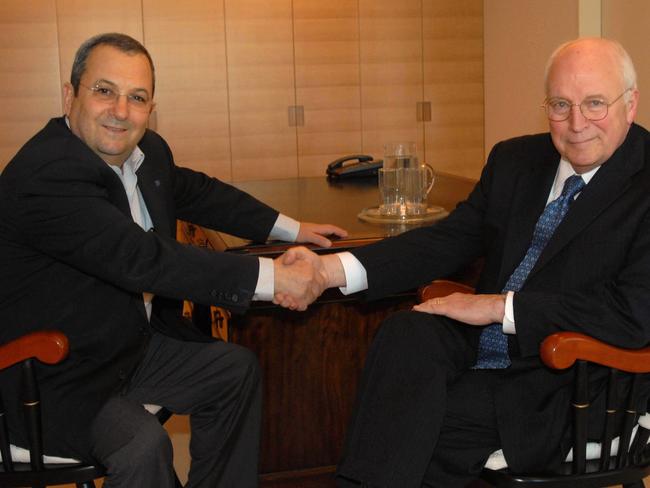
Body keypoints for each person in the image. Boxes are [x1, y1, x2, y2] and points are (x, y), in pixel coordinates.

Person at [276, 37, 650, 487]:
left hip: (571, 377)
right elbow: (445, 242)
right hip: (480, 345)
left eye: (595, 104)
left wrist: (498, 307)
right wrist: (327, 270)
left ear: (630, 104)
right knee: (405, 334)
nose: (576, 124)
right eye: (560, 104)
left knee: (418, 425)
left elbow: (634, 311)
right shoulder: (516, 160)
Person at [0, 32, 345, 488]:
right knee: (144, 446)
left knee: (233, 371)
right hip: (53, 373)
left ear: (150, 107)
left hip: (126, 344)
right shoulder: (47, 175)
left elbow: (198, 192)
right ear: (70, 95)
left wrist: (291, 229)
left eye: (136, 98)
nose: (121, 111)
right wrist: (272, 276)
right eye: (104, 91)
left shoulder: (145, 153)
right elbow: (143, 259)